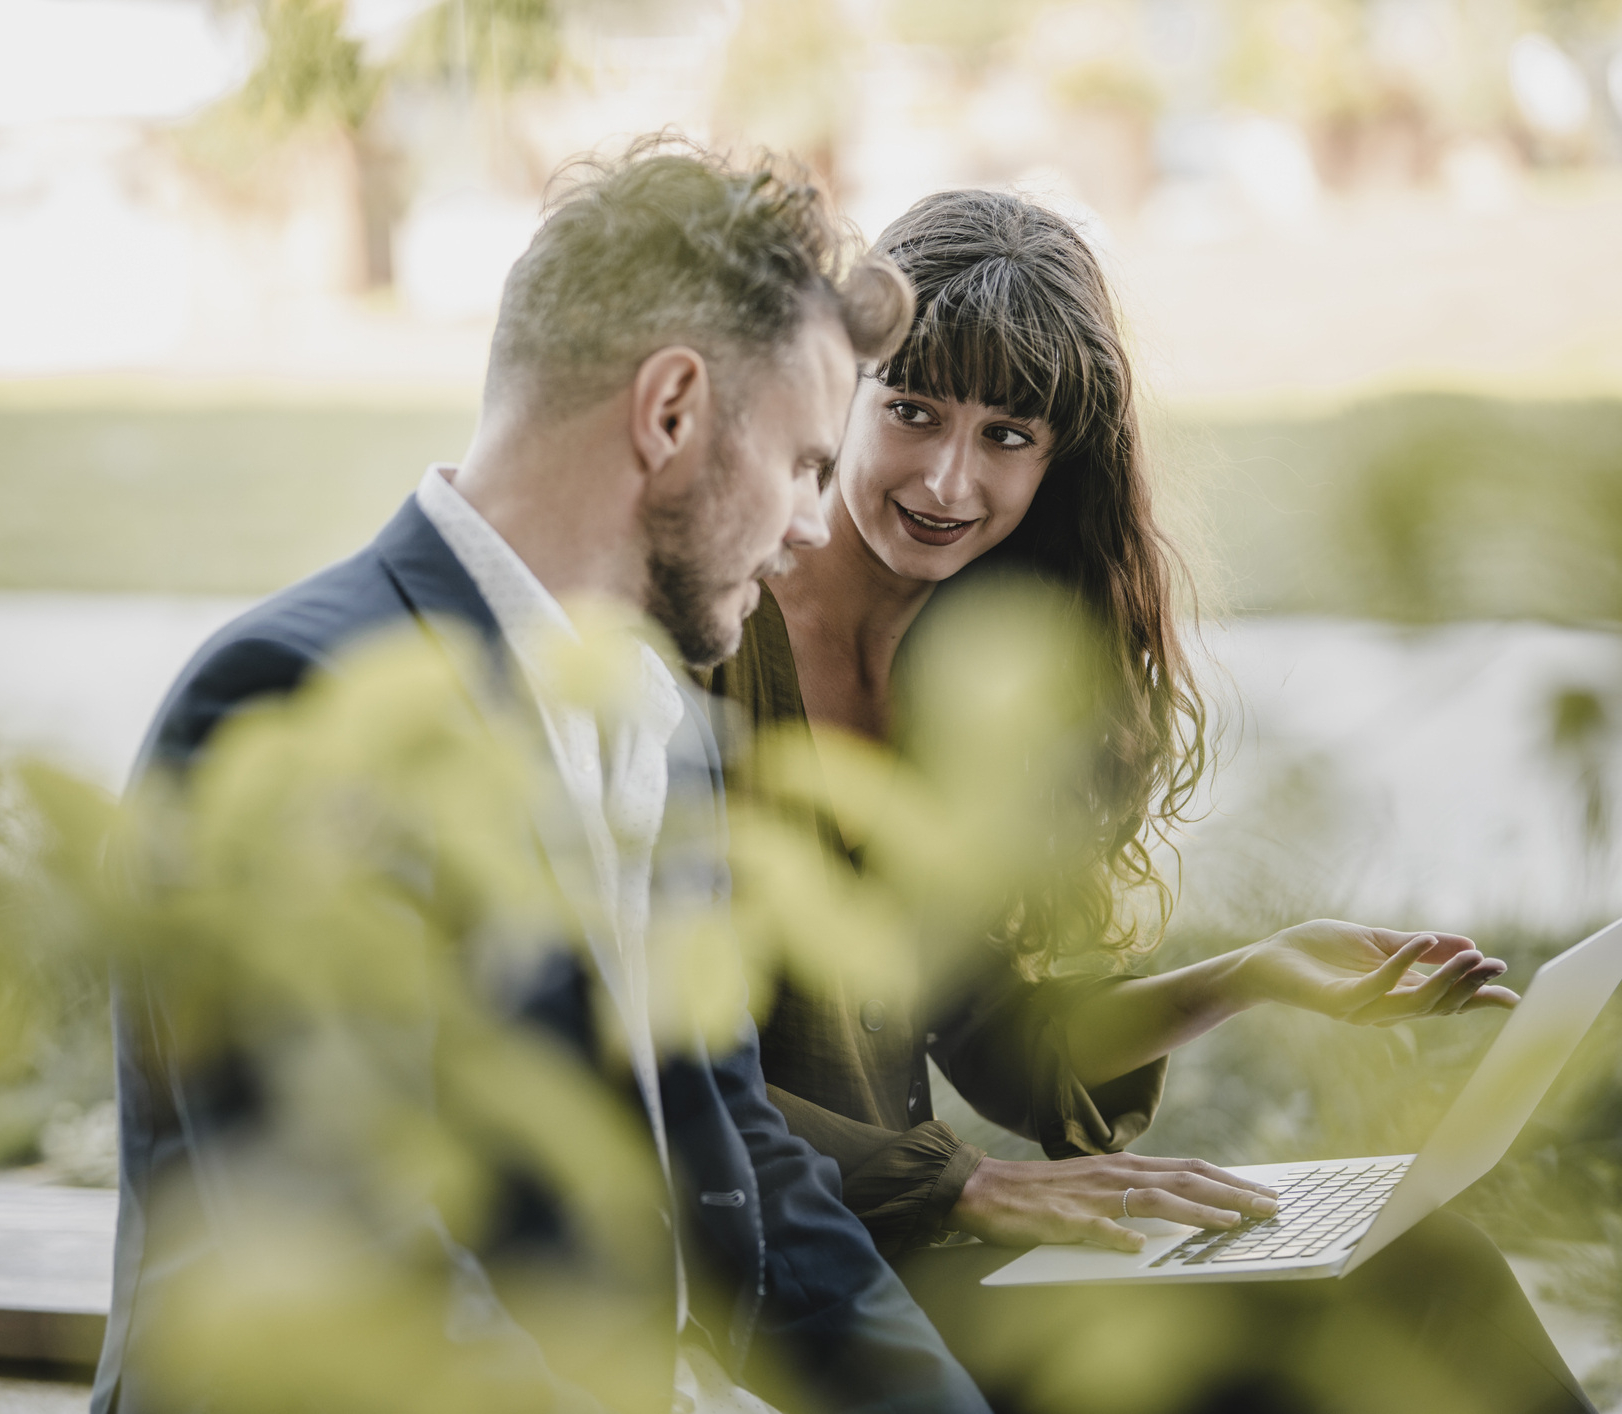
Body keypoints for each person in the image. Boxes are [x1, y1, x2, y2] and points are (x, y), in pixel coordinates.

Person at [92, 144, 992, 1414]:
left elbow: (740, 1159)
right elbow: (354, 1271)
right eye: (800, 462)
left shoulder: (658, 728)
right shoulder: (299, 698)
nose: (809, 526)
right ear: (670, 412)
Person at [704, 189, 1594, 1414]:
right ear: (841, 390)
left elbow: (1011, 1050)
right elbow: (642, 1052)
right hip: (787, 1269)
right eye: (911, 411)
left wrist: (1255, 972)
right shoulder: (714, 641)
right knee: (1329, 1331)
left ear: (1056, 460)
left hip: (937, 1241)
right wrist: (963, 1184)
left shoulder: (966, 674)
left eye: (1007, 435)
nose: (947, 479)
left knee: (1418, 1257)